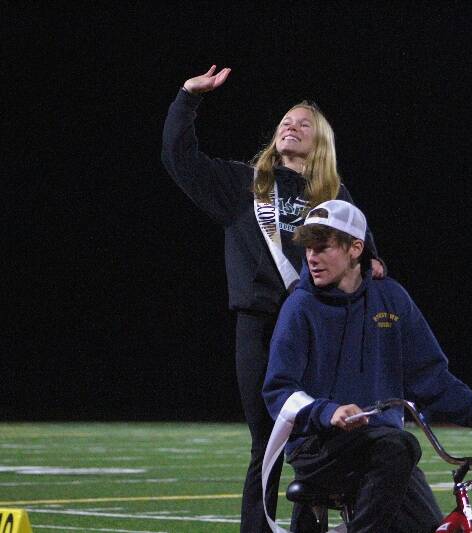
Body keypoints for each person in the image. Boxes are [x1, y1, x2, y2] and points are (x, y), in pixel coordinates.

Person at [161, 66, 385, 533]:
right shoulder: (243, 185)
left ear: (319, 141)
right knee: (265, 441)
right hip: (260, 324)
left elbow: (365, 257)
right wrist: (187, 98)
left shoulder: (335, 195)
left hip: (317, 328)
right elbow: (179, 158)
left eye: (304, 124)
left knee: (316, 435)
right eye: (286, 120)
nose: (291, 126)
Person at [262, 200, 472, 533]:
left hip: (385, 451)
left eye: (323, 247)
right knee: (401, 445)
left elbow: (430, 376)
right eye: (308, 247)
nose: (312, 257)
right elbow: (279, 390)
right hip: (319, 447)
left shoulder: (392, 298)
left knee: (427, 523)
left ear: (355, 248)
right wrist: (327, 411)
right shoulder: (300, 306)